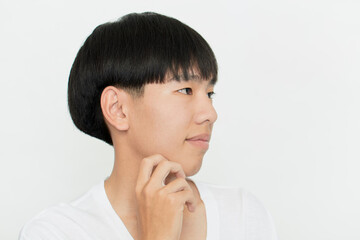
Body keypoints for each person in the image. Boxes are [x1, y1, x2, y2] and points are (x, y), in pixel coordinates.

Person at [19, 12, 278, 240]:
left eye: (209, 93)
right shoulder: (57, 232)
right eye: (186, 90)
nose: (210, 113)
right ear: (118, 109)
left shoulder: (243, 214)